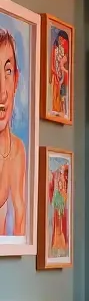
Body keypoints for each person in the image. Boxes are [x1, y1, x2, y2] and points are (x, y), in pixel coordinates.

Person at [0, 31, 27, 239]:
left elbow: (19, 217)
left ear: (16, 79)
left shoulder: (17, 149)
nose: (2, 91)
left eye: (7, 71)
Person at [49, 30, 69, 118]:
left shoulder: (64, 50)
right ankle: (56, 109)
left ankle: (62, 110)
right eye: (61, 39)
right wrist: (54, 72)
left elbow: (63, 62)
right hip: (56, 74)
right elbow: (52, 61)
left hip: (62, 75)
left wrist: (62, 69)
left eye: (64, 40)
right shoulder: (55, 48)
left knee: (62, 93)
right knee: (55, 92)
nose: (62, 42)